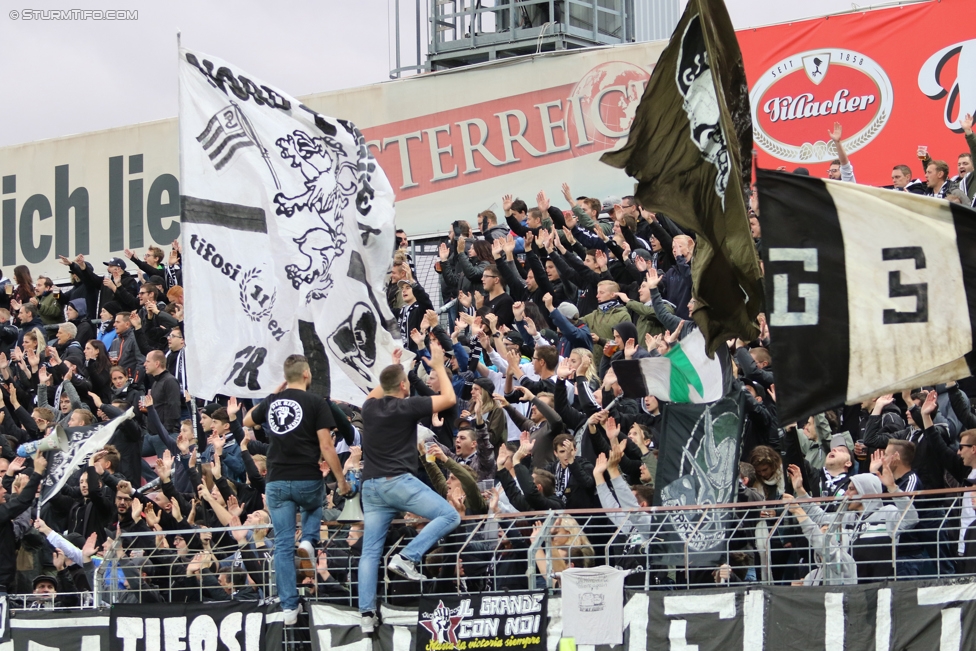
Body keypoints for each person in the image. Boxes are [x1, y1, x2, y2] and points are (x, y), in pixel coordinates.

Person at [358, 342, 461, 634]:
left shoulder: (369, 407)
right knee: (449, 516)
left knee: (370, 553)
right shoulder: (408, 406)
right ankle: (408, 557)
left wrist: (395, 367)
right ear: (404, 386)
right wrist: (438, 365)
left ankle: (366, 614)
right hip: (397, 482)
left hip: (370, 487)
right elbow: (449, 398)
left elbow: (380, 387)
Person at [243, 354, 348, 625]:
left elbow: (246, 421)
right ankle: (309, 540)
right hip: (306, 477)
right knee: (314, 505)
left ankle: (289, 607)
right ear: (306, 374)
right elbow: (326, 445)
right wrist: (342, 480)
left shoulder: (274, 401)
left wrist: (274, 394)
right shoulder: (315, 402)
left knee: (282, 545)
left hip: (276, 481)